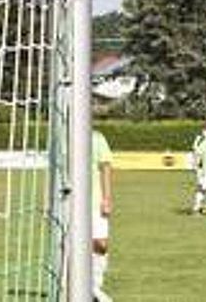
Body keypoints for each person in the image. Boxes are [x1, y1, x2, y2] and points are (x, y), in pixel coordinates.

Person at [92, 129, 113, 302]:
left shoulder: (97, 137)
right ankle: (92, 291)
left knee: (101, 244)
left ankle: (95, 286)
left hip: (94, 200)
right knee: (71, 246)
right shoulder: (62, 137)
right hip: (68, 200)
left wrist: (106, 198)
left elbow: (105, 167)